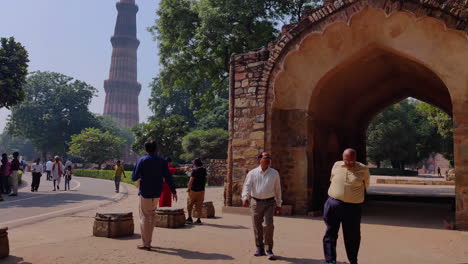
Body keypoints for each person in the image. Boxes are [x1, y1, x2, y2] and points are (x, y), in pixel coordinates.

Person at [323, 148, 370, 264]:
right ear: (342, 158)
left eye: (351, 160)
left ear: (355, 158)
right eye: (346, 160)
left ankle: (353, 260)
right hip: (333, 204)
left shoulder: (363, 169)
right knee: (330, 233)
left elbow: (366, 185)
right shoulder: (336, 165)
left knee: (352, 236)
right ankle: (330, 260)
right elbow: (332, 179)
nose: (348, 163)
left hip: (352, 208)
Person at [132, 140, 178, 250]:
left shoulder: (142, 160)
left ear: (145, 149)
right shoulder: (162, 161)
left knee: (145, 217)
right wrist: (174, 191)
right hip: (157, 193)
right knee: (152, 216)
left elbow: (134, 177)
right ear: (156, 148)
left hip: (145, 193)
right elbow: (168, 177)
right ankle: (148, 241)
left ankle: (146, 243)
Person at [242, 152, 282, 261]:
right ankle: (259, 248)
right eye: (266, 158)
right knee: (257, 226)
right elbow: (247, 185)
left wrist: (279, 204)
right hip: (255, 202)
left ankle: (269, 249)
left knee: (268, 225)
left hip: (269, 202)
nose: (268, 160)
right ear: (260, 159)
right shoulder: (253, 173)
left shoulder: (274, 173)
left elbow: (278, 189)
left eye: (269, 158)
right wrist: (245, 197)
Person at [186, 158, 207, 225]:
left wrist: (188, 188)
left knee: (190, 204)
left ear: (195, 164)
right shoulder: (204, 170)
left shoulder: (194, 170)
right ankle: (198, 219)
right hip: (201, 190)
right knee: (199, 205)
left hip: (193, 190)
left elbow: (191, 180)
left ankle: (189, 218)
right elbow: (205, 179)